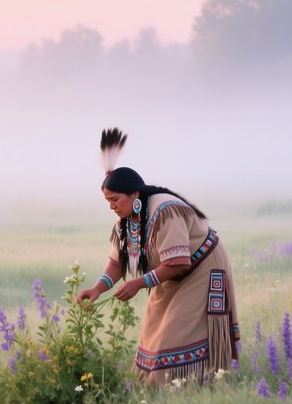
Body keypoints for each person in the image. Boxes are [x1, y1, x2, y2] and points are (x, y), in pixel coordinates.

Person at [76, 127, 240, 385]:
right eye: (107, 201)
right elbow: (117, 263)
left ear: (135, 195)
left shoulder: (165, 210)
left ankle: (192, 390)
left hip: (203, 270)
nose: (112, 206)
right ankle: (155, 394)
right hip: (169, 276)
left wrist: (138, 283)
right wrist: (97, 289)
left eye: (115, 199)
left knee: (173, 336)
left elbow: (179, 261)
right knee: (153, 333)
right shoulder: (125, 221)